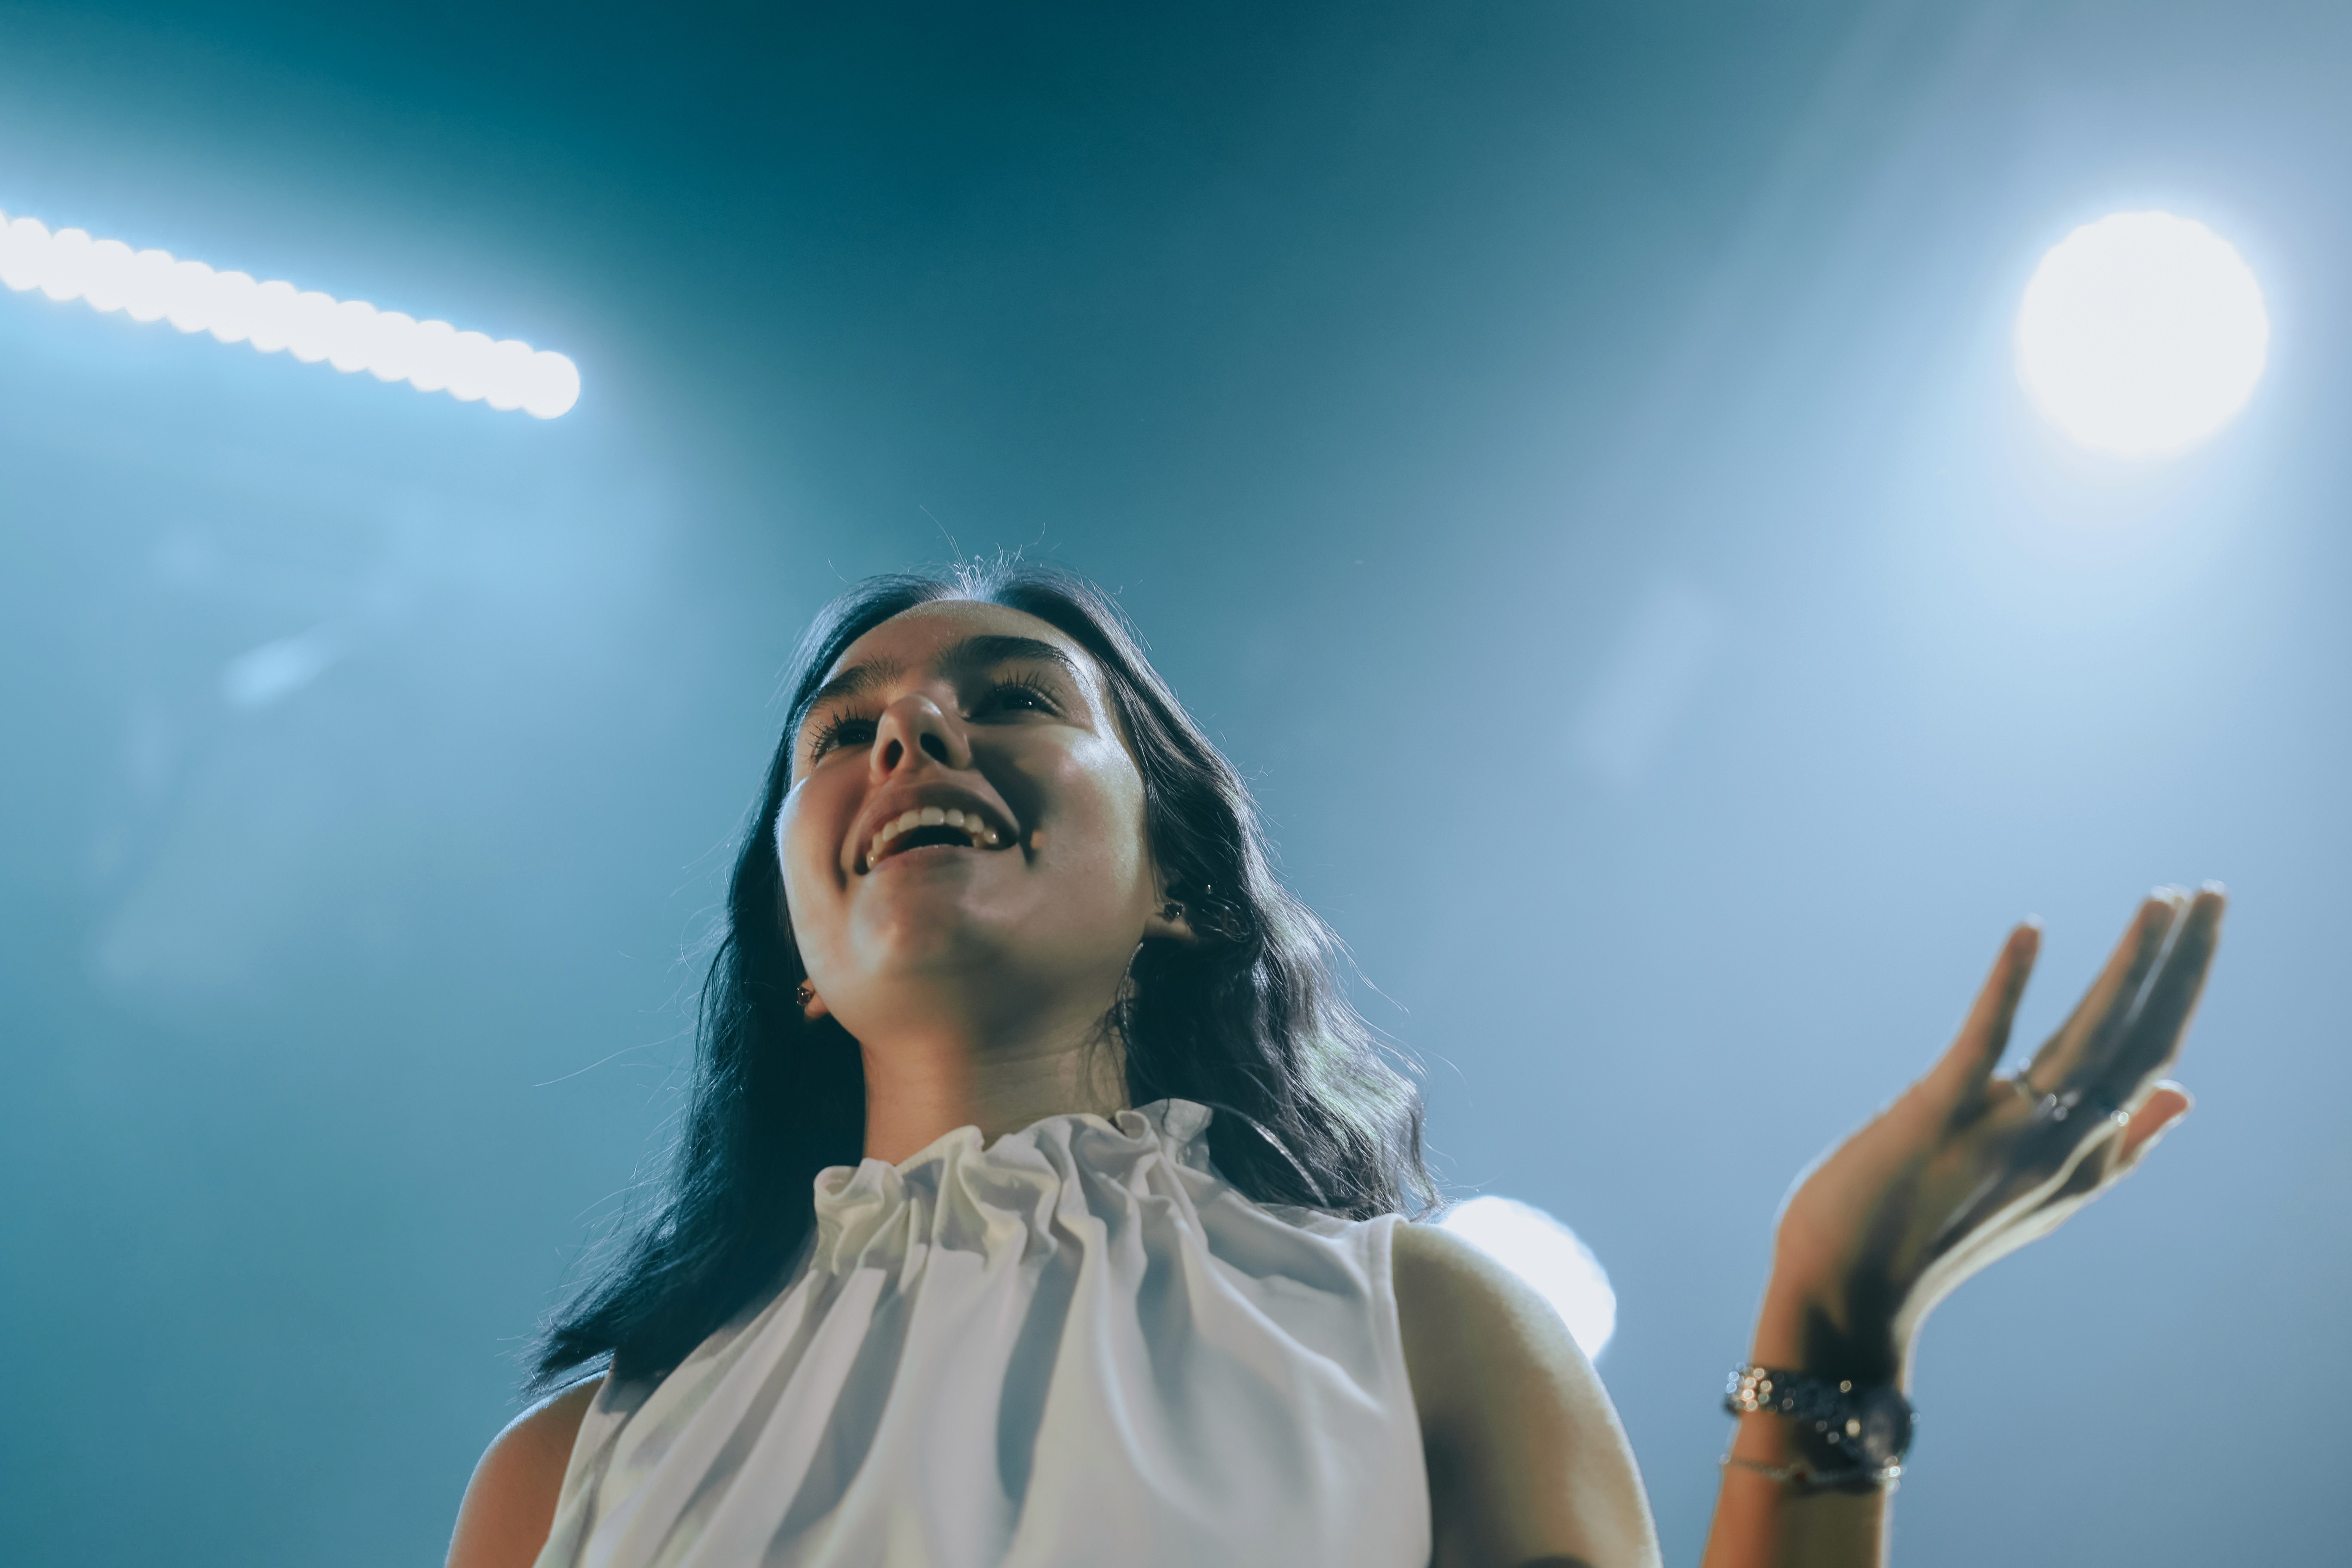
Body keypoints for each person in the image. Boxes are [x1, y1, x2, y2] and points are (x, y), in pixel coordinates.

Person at [445, 561, 2222, 1568]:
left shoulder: (1426, 1330)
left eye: (1016, 698)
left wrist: (1831, 1329)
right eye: (844, 729)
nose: (913, 726)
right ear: (804, 975)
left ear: (1186, 894)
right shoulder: (564, 1481)